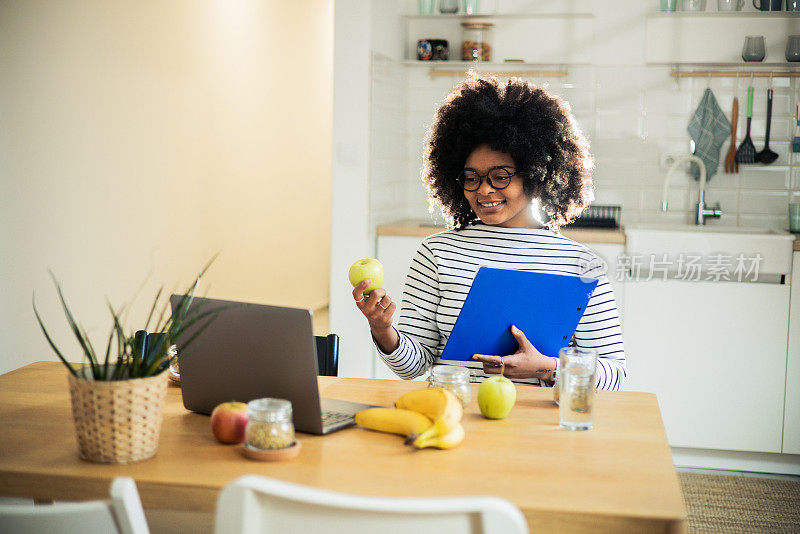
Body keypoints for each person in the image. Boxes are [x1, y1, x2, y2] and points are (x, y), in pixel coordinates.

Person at [352, 74, 626, 390]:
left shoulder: (581, 265)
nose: (483, 190)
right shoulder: (437, 254)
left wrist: (548, 369)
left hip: (538, 432)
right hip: (452, 419)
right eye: (471, 178)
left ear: (536, 173)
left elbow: (615, 374)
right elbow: (413, 366)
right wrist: (382, 328)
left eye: (500, 176)